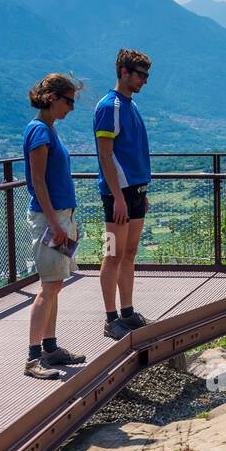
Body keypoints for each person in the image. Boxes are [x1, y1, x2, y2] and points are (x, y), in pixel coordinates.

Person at [23, 73, 87, 379]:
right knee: (48, 286)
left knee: (56, 284)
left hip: (61, 217)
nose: (72, 108)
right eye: (69, 101)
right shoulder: (39, 132)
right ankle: (33, 357)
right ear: (53, 99)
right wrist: (54, 222)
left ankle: (50, 347)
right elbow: (37, 181)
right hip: (51, 219)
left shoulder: (48, 129)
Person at [93, 48, 152, 340]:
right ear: (124, 73)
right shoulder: (109, 107)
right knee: (113, 253)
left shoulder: (132, 105)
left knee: (129, 253)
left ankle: (127, 312)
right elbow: (105, 156)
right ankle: (110, 318)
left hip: (136, 191)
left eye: (146, 75)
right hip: (118, 193)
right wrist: (117, 196)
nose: (144, 81)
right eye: (140, 75)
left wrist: (142, 193)